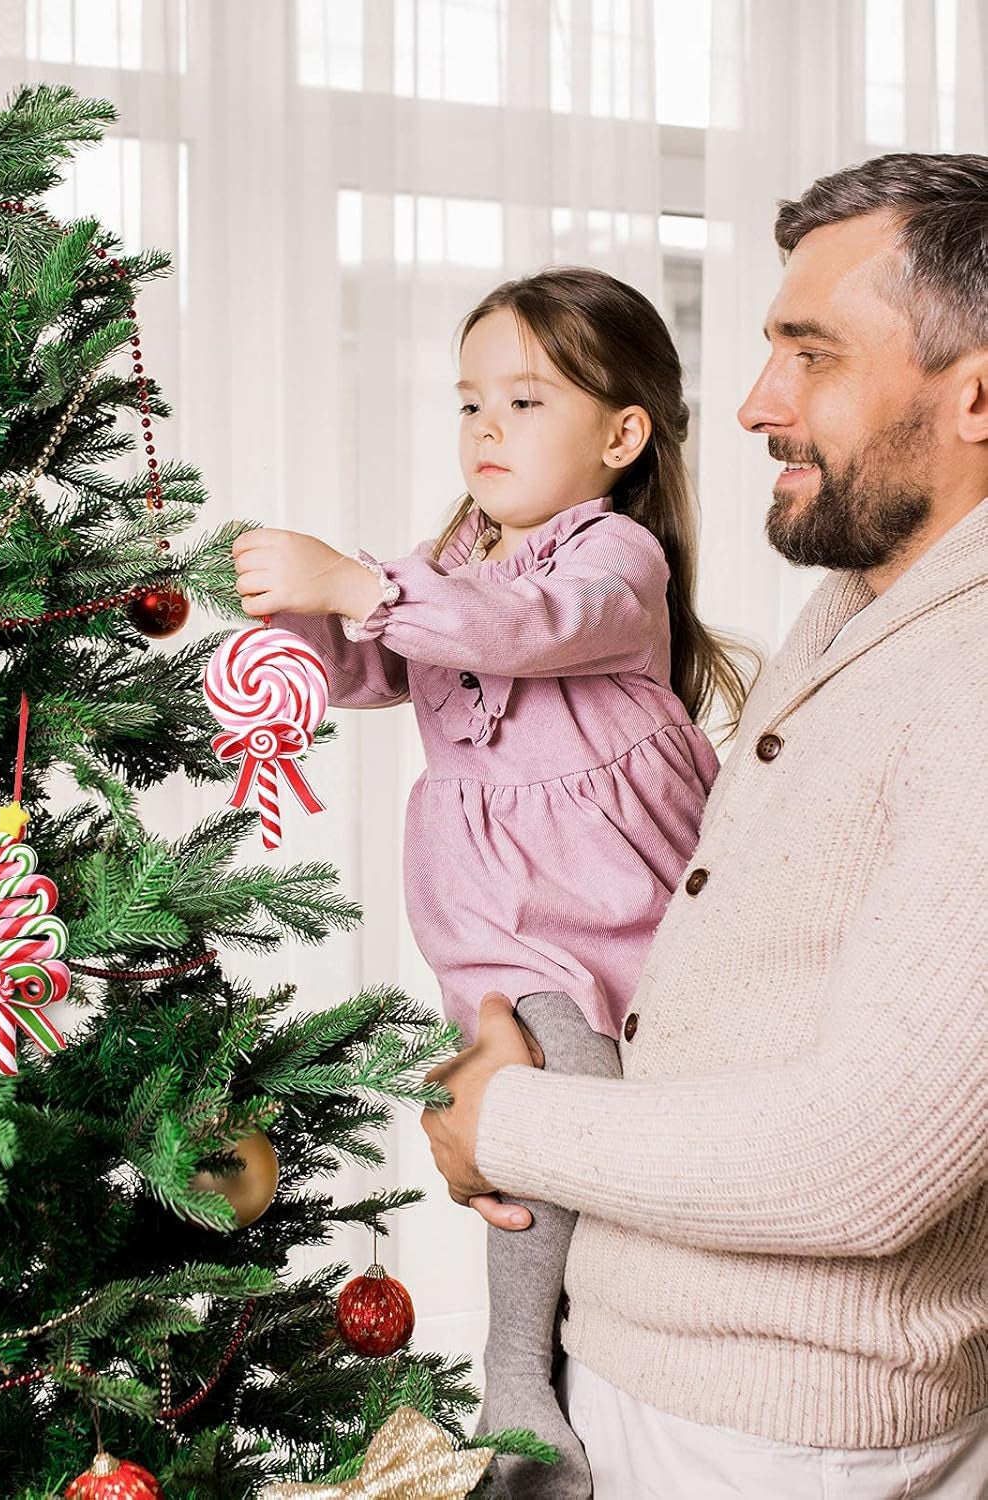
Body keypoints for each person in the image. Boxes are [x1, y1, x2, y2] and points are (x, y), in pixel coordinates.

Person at [421, 152, 988, 1498]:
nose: (751, 404)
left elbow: (871, 1163)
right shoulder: (869, 603)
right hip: (636, 1368)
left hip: (781, 1442)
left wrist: (507, 1125)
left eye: (813, 354)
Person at [233, 266, 755, 1498]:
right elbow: (379, 671)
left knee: (589, 1104)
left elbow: (521, 628)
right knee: (527, 1095)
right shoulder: (452, 557)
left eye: (524, 402)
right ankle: (522, 1375)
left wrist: (362, 585)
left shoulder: (615, 559)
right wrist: (296, 620)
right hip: (498, 909)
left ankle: (530, 1368)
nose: (484, 430)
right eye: (469, 403)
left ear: (620, 436)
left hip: (610, 892)